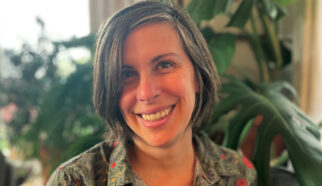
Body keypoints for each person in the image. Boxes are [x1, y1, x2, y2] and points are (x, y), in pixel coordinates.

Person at [47, 1, 257, 185]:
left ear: (197, 77)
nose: (147, 93)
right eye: (126, 74)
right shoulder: (74, 181)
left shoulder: (238, 174)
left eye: (164, 65)